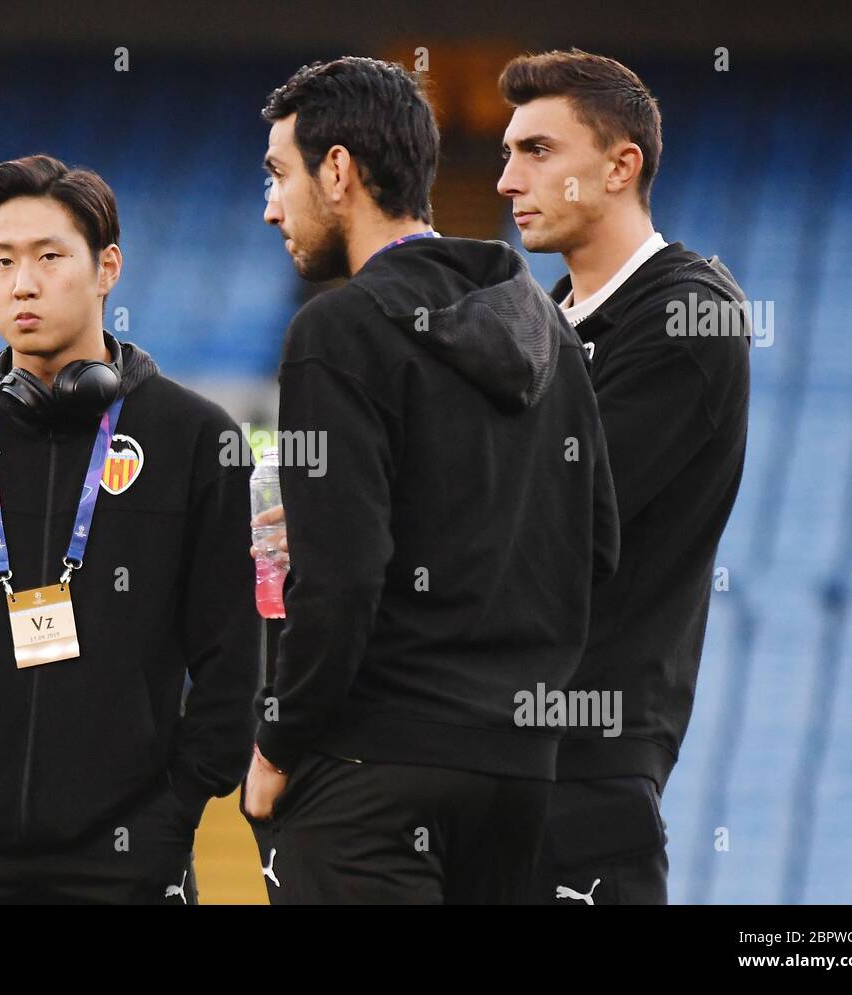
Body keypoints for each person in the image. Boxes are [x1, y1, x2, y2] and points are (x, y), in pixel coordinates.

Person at [241, 56, 619, 904]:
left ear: (338, 170)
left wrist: (274, 747)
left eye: (278, 173)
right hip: (516, 776)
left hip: (369, 773)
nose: (270, 206)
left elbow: (341, 581)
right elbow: (597, 544)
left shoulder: (334, 331)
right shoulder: (547, 330)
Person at [0, 154, 259, 904]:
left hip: (129, 859)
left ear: (108, 268)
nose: (22, 283)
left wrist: (172, 819)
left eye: (48, 256)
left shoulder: (195, 439)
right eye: (0, 260)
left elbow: (233, 660)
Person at [497, 49, 751, 904]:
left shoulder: (690, 311)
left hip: (589, 764)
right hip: (490, 756)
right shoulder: (535, 323)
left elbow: (553, 511)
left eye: (536, 151)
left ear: (620, 166)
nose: (505, 180)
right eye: (506, 153)